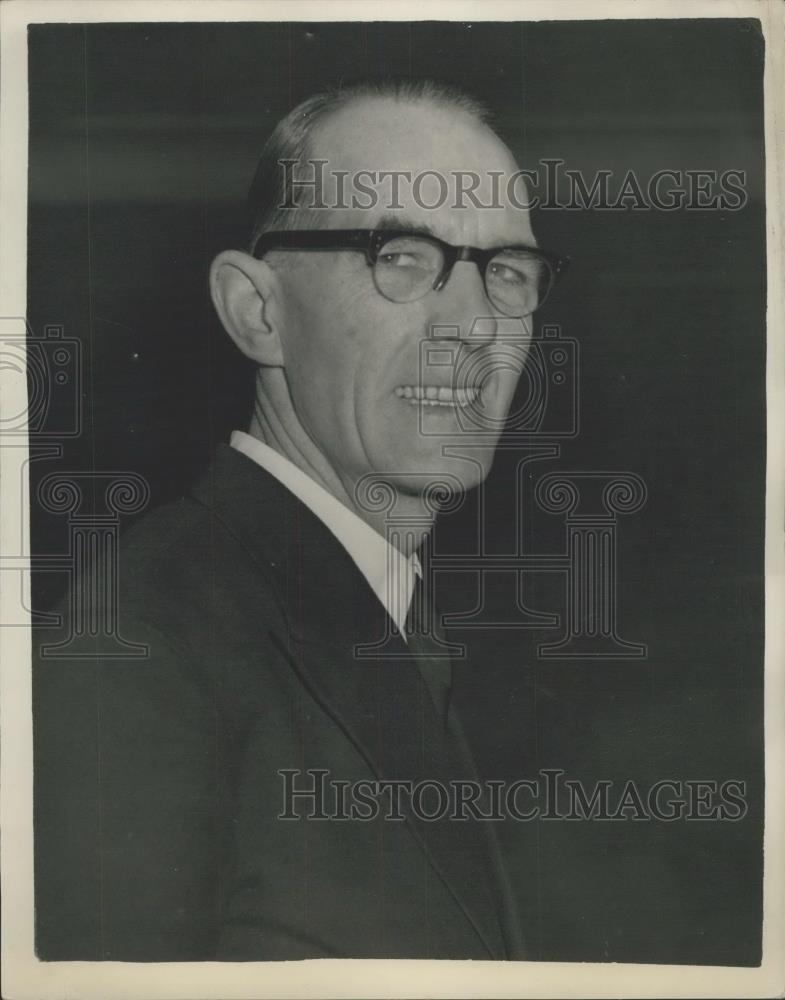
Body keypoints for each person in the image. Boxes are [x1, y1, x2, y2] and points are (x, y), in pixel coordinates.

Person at [33, 79, 566, 961]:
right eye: (401, 255)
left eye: (506, 271)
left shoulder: (400, 627)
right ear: (259, 311)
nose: (475, 325)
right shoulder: (137, 654)